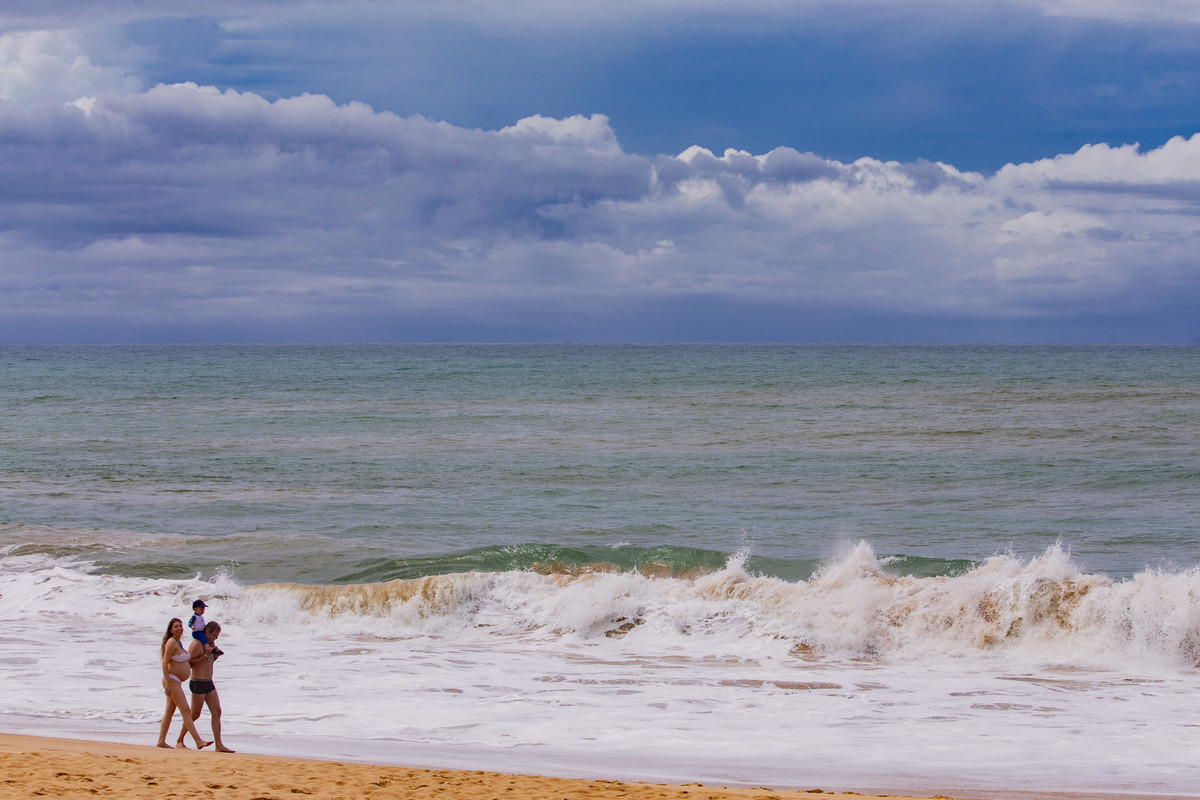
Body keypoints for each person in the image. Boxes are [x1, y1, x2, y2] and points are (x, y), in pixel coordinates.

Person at [176, 621, 235, 752]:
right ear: (207, 632)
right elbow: (189, 664)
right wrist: (205, 656)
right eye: (215, 634)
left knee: (217, 712)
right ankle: (180, 740)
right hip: (198, 682)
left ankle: (218, 745)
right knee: (195, 714)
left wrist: (214, 656)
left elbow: (209, 662)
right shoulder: (196, 644)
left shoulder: (209, 645)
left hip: (209, 682)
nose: (216, 637)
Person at [157, 617, 212, 750]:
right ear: (171, 630)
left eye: (181, 626)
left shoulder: (178, 643)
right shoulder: (171, 643)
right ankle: (198, 741)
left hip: (176, 681)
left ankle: (161, 741)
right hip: (172, 680)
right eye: (176, 626)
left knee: (169, 711)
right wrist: (169, 683)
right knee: (186, 710)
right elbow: (164, 662)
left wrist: (206, 656)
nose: (179, 628)